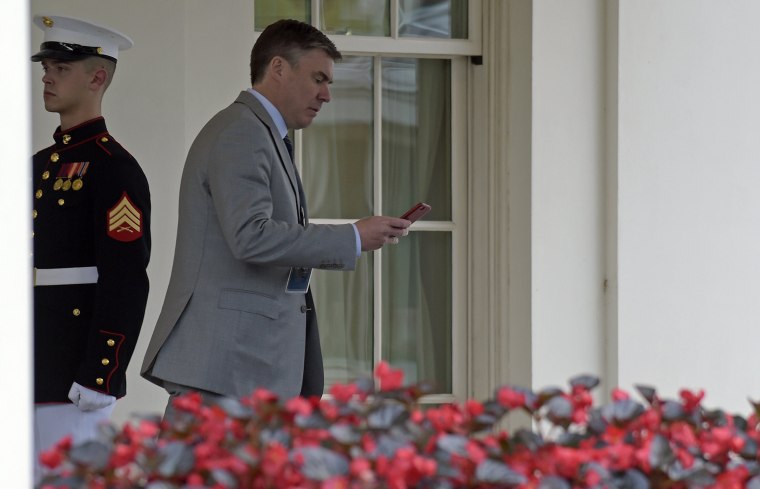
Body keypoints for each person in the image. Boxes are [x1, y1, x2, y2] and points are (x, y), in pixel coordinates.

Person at [141, 19, 410, 412]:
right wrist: (351, 237)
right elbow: (251, 235)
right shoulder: (242, 131)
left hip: (241, 369)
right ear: (279, 68)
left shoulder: (259, 131)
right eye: (319, 78)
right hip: (227, 370)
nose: (326, 95)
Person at [30, 14, 151, 481]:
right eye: (47, 65)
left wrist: (101, 371)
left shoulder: (114, 169)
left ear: (97, 76)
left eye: (61, 66)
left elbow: (125, 278)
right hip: (30, 361)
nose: (47, 75)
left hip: (72, 372)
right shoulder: (38, 166)